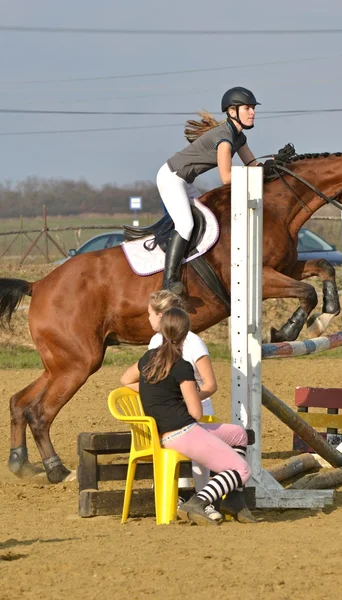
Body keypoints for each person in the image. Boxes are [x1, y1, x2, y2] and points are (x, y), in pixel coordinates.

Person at [120, 306, 257, 526]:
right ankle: (198, 501)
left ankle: (234, 500)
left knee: (239, 435)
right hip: (183, 433)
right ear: (185, 334)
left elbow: (125, 380)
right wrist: (181, 398)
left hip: (166, 432)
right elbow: (196, 412)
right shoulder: (182, 366)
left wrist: (155, 394)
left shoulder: (147, 358)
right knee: (242, 470)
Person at [156, 86, 261, 292]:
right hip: (171, 177)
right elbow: (227, 177)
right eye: (247, 108)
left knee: (210, 220)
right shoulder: (224, 138)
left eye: (253, 108)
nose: (252, 112)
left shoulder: (238, 137)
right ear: (232, 112)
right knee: (186, 225)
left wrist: (276, 165)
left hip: (185, 181)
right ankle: (169, 281)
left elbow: (253, 166)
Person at [144, 290, 222, 521]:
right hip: (170, 411)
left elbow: (210, 384)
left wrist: (189, 397)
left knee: (199, 456)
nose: (147, 318)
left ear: (161, 316)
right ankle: (175, 497)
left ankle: (204, 500)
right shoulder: (154, 342)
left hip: (197, 410)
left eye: (149, 314)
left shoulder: (194, 343)